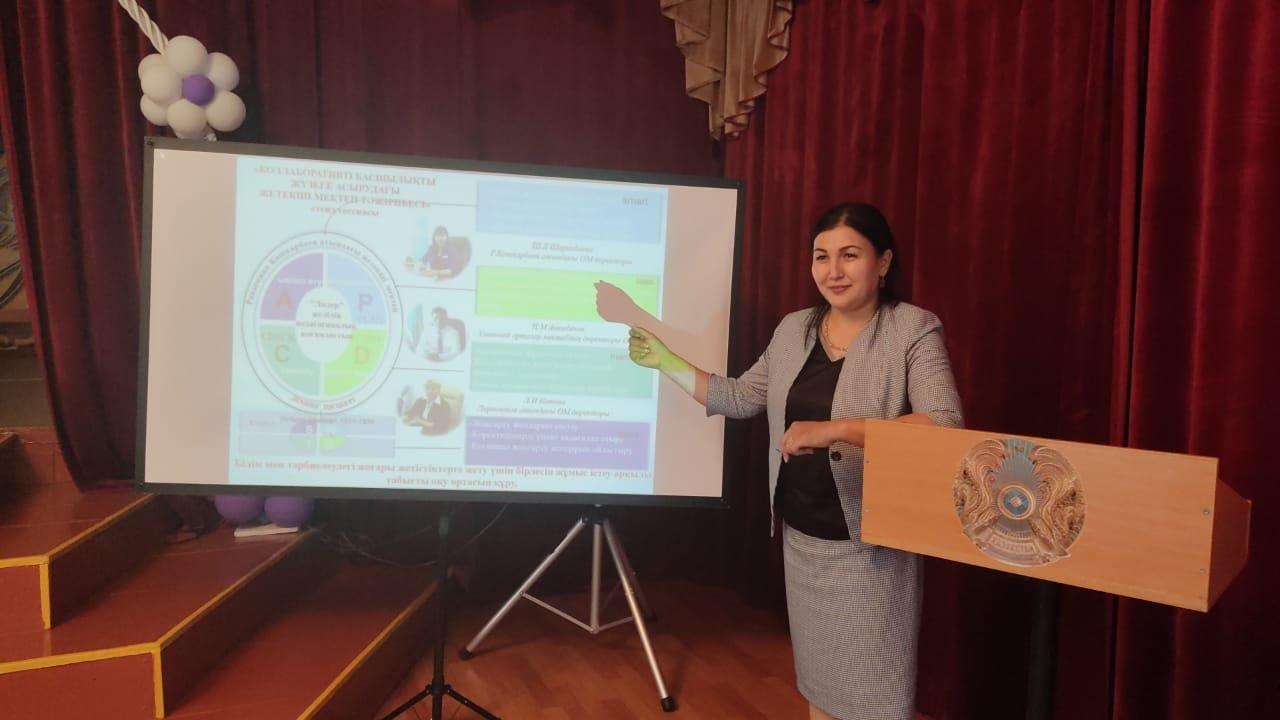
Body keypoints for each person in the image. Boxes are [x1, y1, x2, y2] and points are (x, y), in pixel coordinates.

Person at [627, 202, 963, 720]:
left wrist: (836, 429)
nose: (833, 271)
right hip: (803, 542)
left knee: (876, 699)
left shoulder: (911, 330)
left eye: (850, 255)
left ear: (883, 261)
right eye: (821, 256)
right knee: (819, 691)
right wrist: (666, 361)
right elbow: (740, 398)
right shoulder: (794, 329)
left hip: (871, 554)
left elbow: (945, 426)